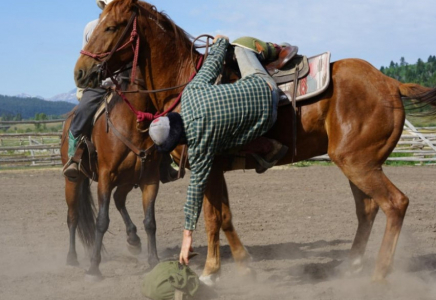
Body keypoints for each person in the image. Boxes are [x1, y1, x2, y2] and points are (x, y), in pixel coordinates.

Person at [148, 35, 288, 265]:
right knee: (242, 44)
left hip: (265, 119)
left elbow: (195, 192)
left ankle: (266, 147)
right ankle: (273, 50)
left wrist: (187, 237)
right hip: (264, 87)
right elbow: (212, 64)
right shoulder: (191, 91)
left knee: (220, 147)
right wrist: (222, 42)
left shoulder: (199, 146)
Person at [63, 0, 115, 181]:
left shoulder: (128, 27)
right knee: (83, 110)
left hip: (126, 84)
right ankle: (74, 157)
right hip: (100, 84)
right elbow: (85, 56)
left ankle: (163, 159)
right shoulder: (91, 27)